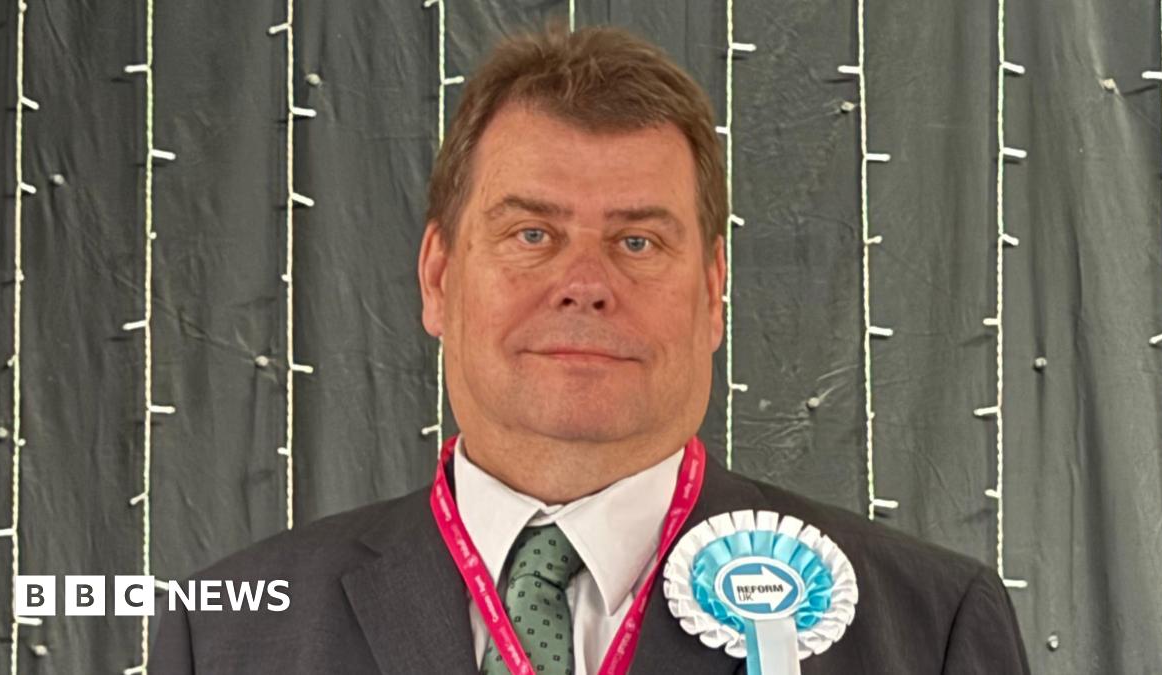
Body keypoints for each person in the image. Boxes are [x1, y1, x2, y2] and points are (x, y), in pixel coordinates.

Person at [151, 22, 1030, 675]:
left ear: (715, 291)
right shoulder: (226, 636)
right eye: (531, 233)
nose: (585, 281)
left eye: (639, 241)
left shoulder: (928, 628)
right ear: (437, 276)